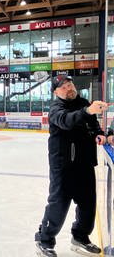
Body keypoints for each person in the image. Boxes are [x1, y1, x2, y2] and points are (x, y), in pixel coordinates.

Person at [35, 75, 106, 257]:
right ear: (56, 92)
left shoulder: (82, 102)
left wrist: (99, 133)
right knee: (58, 206)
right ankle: (44, 240)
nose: (69, 88)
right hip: (64, 166)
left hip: (85, 164)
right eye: (64, 87)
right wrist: (88, 111)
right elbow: (66, 121)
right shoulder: (56, 108)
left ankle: (80, 238)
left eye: (70, 84)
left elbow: (93, 124)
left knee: (88, 205)